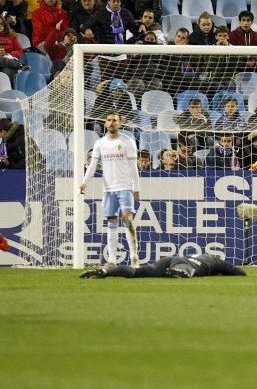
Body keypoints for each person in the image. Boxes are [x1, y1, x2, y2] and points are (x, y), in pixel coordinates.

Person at [80, 111, 141, 268]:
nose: (112, 123)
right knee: (111, 222)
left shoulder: (128, 142)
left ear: (119, 124)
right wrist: (84, 182)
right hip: (108, 189)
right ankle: (112, 260)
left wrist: (136, 188)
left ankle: (134, 256)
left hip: (125, 187)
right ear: (105, 123)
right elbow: (93, 165)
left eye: (115, 120)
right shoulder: (100, 143)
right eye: (109, 120)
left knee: (127, 219)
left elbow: (134, 167)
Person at [80, 254, 247, 278]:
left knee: (141, 271)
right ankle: (180, 272)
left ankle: (105, 271)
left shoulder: (205, 257)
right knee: (187, 268)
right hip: (185, 262)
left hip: (168, 259)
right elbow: (239, 272)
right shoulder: (215, 261)